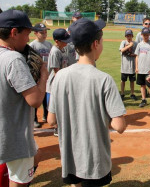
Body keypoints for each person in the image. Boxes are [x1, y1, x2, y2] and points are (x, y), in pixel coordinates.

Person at [47, 18, 126, 187]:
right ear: (95, 44)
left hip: (70, 158)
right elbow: (119, 126)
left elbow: (51, 120)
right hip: (95, 161)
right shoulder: (104, 79)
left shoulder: (60, 76)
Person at [0, 9, 48, 187]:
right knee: (18, 182)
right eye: (26, 33)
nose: (28, 39)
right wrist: (43, 75)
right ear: (14, 33)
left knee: (37, 156)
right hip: (15, 136)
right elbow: (35, 100)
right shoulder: (13, 59)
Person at [46, 28, 71, 136]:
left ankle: (60, 125)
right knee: (56, 105)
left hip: (62, 81)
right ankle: (56, 128)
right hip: (54, 84)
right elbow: (56, 72)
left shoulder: (62, 49)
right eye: (64, 40)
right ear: (57, 41)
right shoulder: (55, 52)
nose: (67, 42)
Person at [29, 23, 52, 127]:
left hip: (47, 75)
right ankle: (34, 119)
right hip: (36, 75)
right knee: (37, 96)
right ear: (35, 33)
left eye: (45, 32)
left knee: (45, 95)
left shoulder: (49, 44)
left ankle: (46, 115)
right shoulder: (32, 45)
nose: (44, 34)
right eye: (42, 32)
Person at [135, 27, 150, 110]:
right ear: (141, 35)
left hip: (149, 70)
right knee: (142, 85)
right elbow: (137, 56)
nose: (146, 36)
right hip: (141, 69)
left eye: (147, 35)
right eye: (144, 35)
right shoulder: (139, 44)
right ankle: (143, 99)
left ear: (149, 35)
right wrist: (136, 67)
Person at [119, 29, 138, 101]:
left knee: (132, 81)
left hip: (132, 66)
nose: (129, 37)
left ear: (132, 36)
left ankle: (132, 94)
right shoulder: (123, 42)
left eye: (130, 36)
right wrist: (129, 45)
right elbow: (121, 50)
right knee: (123, 80)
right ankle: (122, 93)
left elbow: (136, 54)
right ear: (125, 36)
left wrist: (136, 66)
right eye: (127, 36)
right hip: (124, 66)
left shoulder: (135, 43)